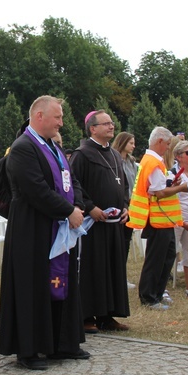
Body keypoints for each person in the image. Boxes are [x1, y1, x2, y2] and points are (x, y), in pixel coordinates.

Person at [0, 96, 88, 372]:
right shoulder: (23, 147)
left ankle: (61, 342)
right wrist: (67, 211)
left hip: (56, 227)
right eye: (57, 117)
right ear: (39, 116)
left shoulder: (53, 147)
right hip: (33, 229)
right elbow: (35, 189)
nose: (61, 122)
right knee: (32, 287)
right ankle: (30, 348)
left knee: (62, 284)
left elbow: (71, 181)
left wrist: (78, 205)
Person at [69, 110, 129, 334]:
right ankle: (86, 315)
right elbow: (75, 186)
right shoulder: (82, 154)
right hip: (91, 225)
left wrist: (125, 205)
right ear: (93, 128)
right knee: (92, 270)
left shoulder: (114, 154)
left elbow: (123, 184)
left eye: (112, 123)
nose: (111, 127)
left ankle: (107, 315)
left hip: (113, 223)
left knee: (111, 268)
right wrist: (90, 207)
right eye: (106, 124)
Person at [127, 126, 187, 310]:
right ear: (159, 141)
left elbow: (159, 186)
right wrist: (180, 188)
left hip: (163, 218)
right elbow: (158, 192)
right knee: (156, 259)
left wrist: (171, 183)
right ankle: (149, 296)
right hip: (157, 217)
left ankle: (157, 293)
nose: (168, 148)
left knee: (167, 256)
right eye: (168, 144)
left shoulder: (152, 161)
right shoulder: (152, 162)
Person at [172, 141, 188, 298]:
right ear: (179, 156)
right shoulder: (171, 172)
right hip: (175, 217)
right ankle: (159, 287)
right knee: (170, 253)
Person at [113, 131, 138, 287]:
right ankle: (116, 276)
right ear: (122, 143)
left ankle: (122, 276)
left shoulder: (132, 162)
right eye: (131, 143)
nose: (134, 146)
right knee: (119, 243)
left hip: (132, 205)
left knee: (126, 242)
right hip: (120, 205)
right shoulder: (115, 160)